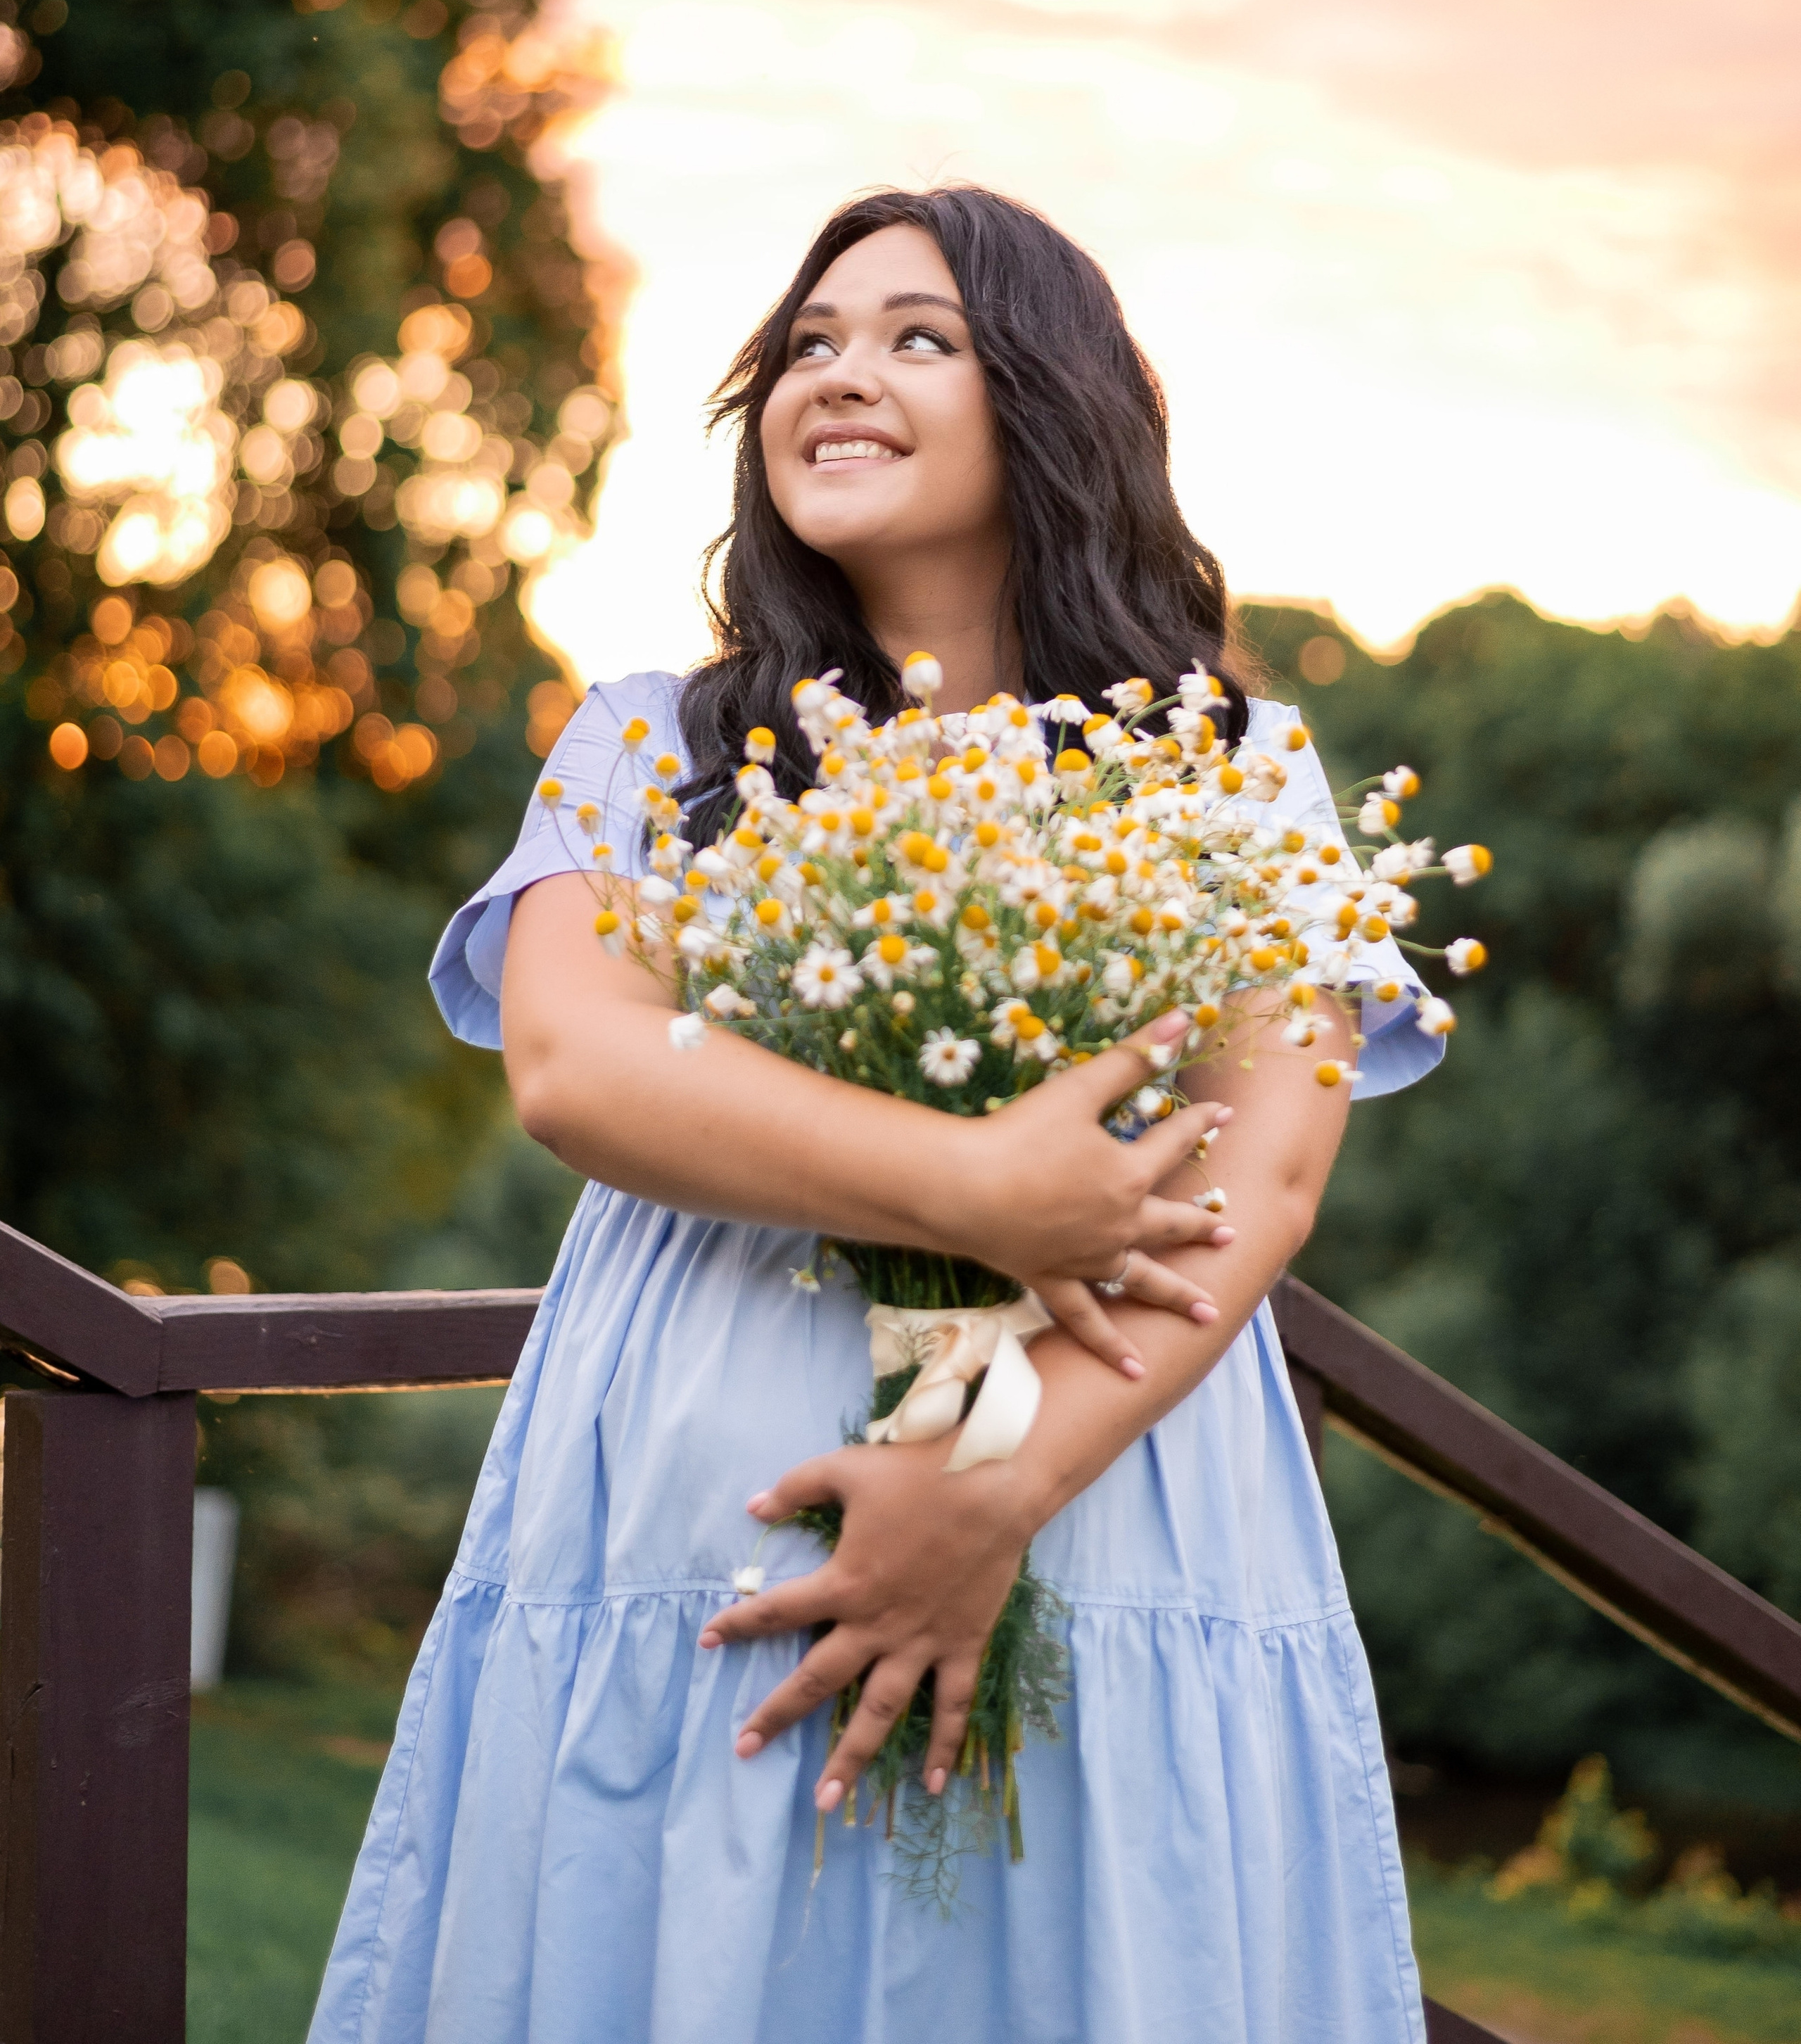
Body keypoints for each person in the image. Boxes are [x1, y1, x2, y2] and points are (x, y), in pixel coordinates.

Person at [310, 186, 1442, 2044]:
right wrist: (983, 1180)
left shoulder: (1231, 762)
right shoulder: (657, 735)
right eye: (810, 341)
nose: (839, 374)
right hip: (692, 1516)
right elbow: (577, 1065)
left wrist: (993, 1489)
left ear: (1052, 406)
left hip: (1120, 1509)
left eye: (919, 336)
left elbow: (1271, 1166)